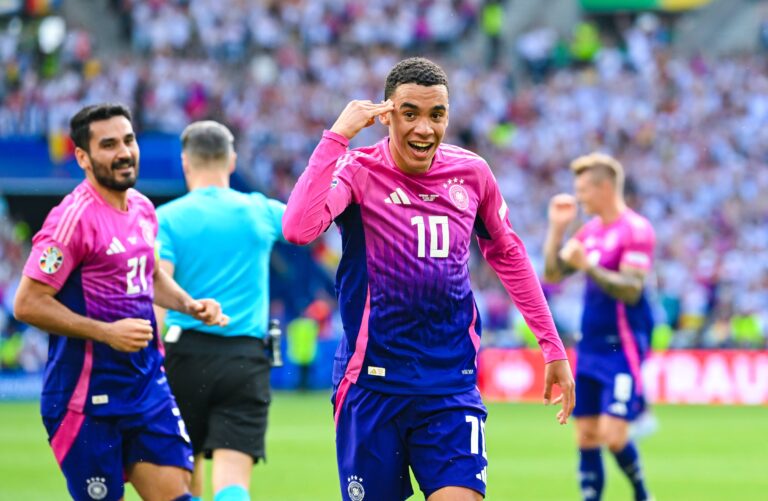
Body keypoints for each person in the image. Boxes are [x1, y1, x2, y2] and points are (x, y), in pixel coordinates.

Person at [283, 57, 575, 501]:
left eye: (436, 115)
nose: (425, 128)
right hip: (372, 384)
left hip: (449, 383)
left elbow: (509, 254)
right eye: (410, 113)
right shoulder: (358, 171)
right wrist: (336, 136)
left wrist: (552, 346)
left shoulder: (472, 173)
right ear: (386, 115)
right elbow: (297, 229)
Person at [13, 103, 227, 501]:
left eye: (128, 140)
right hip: (85, 399)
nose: (124, 152)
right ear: (83, 156)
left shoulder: (143, 208)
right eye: (108, 144)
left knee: (179, 495)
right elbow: (27, 303)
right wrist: (105, 333)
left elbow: (150, 275)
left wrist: (189, 304)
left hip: (145, 385)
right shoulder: (71, 220)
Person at [153, 121, 285, 501]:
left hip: (184, 356)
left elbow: (159, 290)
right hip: (245, 359)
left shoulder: (167, 218)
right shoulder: (259, 210)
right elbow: (306, 223)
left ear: (185, 163)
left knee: (182, 472)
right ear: (232, 160)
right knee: (232, 480)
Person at [543, 153, 655, 501]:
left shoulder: (635, 229)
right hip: (589, 346)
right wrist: (558, 229)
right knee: (587, 435)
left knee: (614, 434)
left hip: (621, 345)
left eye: (583, 190)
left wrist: (589, 267)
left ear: (605, 188)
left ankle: (642, 494)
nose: (579, 198)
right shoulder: (590, 231)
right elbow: (553, 274)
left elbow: (633, 288)